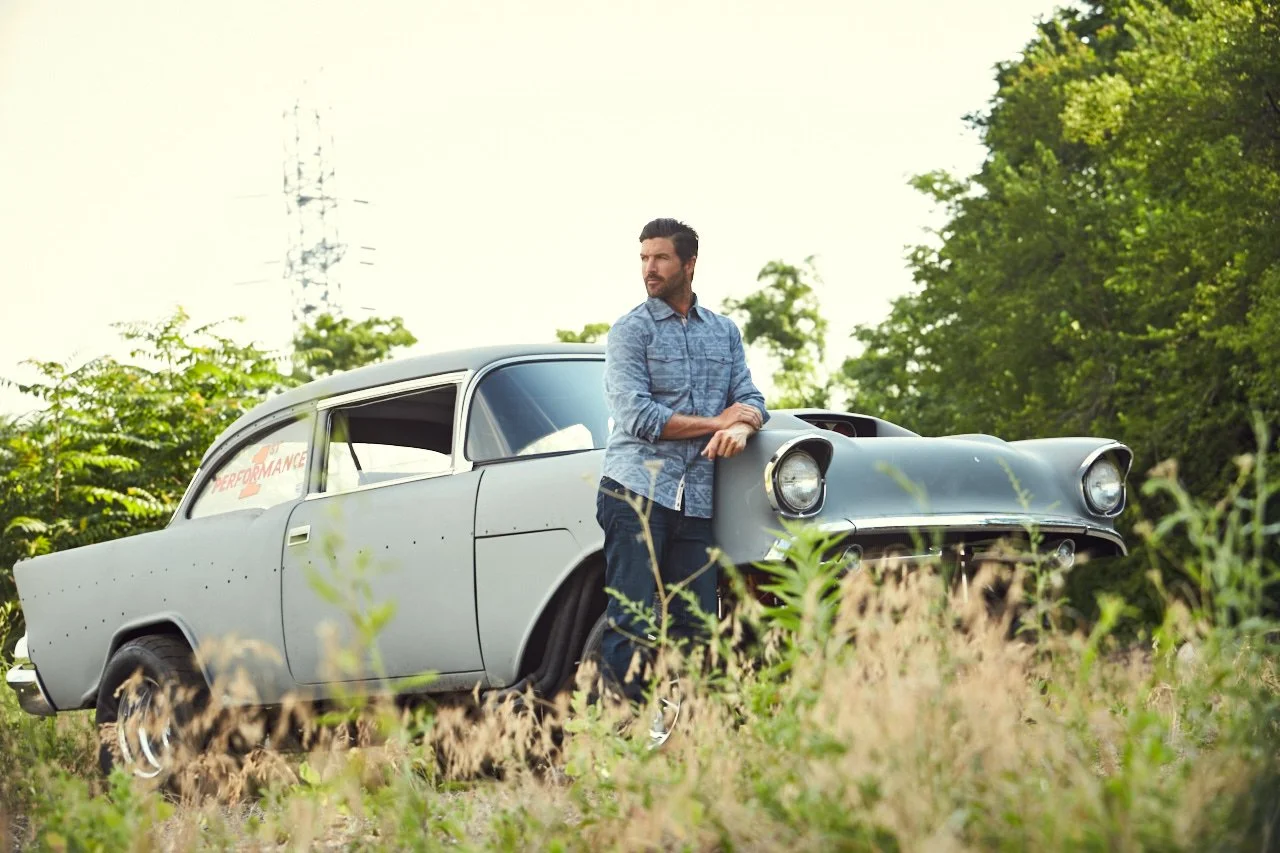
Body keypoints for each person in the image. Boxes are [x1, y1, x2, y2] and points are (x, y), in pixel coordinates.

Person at [595, 217, 768, 704]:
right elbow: (638, 416)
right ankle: (619, 743)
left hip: (696, 501)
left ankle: (688, 742)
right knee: (632, 619)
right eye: (644, 258)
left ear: (689, 264)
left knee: (696, 623)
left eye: (661, 258)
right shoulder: (630, 332)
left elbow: (751, 397)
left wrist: (742, 424)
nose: (649, 269)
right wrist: (719, 423)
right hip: (635, 492)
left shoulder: (724, 332)